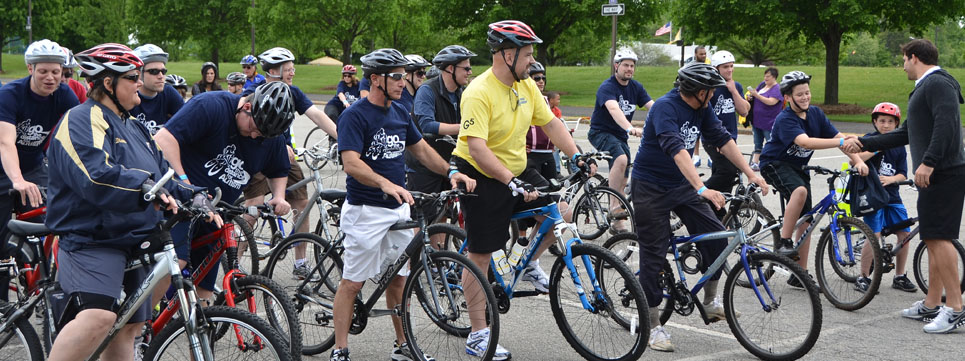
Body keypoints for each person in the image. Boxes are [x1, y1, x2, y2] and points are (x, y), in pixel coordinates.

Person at [45, 42, 214, 361]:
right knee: (100, 317)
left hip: (135, 240)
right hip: (92, 239)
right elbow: (95, 176)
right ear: (108, 83)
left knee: (128, 330)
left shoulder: (134, 126)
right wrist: (143, 187)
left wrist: (200, 197)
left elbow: (164, 177)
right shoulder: (82, 119)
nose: (140, 82)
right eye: (132, 77)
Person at [451, 20, 593, 360]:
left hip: (516, 167)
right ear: (507, 53)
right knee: (480, 255)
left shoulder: (526, 85)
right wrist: (509, 181)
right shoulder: (478, 91)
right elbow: (478, 148)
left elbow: (551, 123)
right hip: (480, 172)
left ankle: (519, 263)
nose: (532, 61)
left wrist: (577, 156)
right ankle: (477, 334)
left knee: (561, 211)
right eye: (528, 54)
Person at [328, 48, 475, 361]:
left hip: (398, 210)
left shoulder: (399, 113)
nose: (402, 82)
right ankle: (340, 349)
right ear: (376, 79)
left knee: (399, 279)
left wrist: (451, 172)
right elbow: (351, 163)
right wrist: (384, 183)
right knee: (352, 282)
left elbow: (421, 150)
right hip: (366, 210)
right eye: (396, 76)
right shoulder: (354, 115)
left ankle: (401, 345)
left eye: (402, 75)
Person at [631, 63, 769, 352]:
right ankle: (652, 324)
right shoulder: (664, 108)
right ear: (700, 91)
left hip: (680, 185)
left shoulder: (702, 108)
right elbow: (677, 150)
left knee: (718, 238)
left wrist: (751, 172)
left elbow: (722, 140)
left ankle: (710, 301)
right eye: (711, 90)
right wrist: (702, 187)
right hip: (651, 187)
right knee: (654, 255)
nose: (714, 95)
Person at [843, 38, 965, 333]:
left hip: (944, 172)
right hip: (936, 174)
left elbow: (947, 124)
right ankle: (932, 303)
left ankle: (956, 308)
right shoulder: (926, 86)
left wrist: (929, 162)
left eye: (904, 60)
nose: (903, 66)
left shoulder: (938, 83)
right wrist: (864, 142)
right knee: (934, 238)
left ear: (914, 57)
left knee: (939, 238)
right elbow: (906, 133)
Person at [152, 81, 296, 307]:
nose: (256, 135)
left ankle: (196, 332)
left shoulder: (268, 133)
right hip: (181, 205)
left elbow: (278, 168)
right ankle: (141, 326)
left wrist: (278, 195)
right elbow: (164, 139)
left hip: (216, 212)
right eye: (255, 128)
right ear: (247, 107)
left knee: (205, 281)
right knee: (175, 262)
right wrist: (186, 186)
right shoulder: (211, 106)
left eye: (263, 134)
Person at [758, 70, 867, 283]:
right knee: (799, 191)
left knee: (806, 222)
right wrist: (842, 142)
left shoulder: (816, 114)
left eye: (807, 93)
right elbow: (806, 143)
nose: (805, 97)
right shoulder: (785, 119)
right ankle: (784, 241)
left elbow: (838, 137)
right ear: (788, 98)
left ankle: (799, 275)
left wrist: (859, 161)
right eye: (800, 94)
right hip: (774, 163)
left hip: (798, 167)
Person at [241, 46, 338, 280]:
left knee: (302, 205)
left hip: (285, 158)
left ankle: (301, 263)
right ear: (274, 71)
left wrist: (343, 138)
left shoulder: (293, 92)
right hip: (258, 154)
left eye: (293, 69)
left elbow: (316, 115)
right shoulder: (254, 91)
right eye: (288, 69)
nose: (292, 73)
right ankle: (235, 261)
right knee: (253, 206)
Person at [0, 39, 80, 283]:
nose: (50, 78)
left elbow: (78, 136)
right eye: (43, 71)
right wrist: (17, 180)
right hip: (4, 168)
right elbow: (5, 143)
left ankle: (36, 282)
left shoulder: (64, 96)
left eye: (56, 72)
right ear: (30, 69)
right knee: (1, 239)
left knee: (48, 223)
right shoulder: (9, 95)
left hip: (34, 166)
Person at [851, 102, 916, 293]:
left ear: (897, 124)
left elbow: (903, 174)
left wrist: (891, 179)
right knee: (873, 234)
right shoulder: (870, 139)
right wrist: (877, 147)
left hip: (893, 195)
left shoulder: (898, 145)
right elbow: (854, 159)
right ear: (874, 122)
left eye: (890, 122)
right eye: (881, 121)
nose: (886, 125)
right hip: (872, 196)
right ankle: (863, 277)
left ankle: (900, 276)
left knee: (904, 233)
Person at [407, 44, 476, 224]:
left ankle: (439, 253)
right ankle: (421, 252)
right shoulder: (427, 90)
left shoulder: (463, 93)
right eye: (466, 68)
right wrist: (463, 128)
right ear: (450, 68)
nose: (470, 72)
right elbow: (427, 125)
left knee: (444, 214)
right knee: (425, 219)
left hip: (448, 160)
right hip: (423, 164)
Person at [588, 48, 653, 219]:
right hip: (600, 132)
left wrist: (668, 117)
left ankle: (618, 225)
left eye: (632, 66)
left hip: (620, 136)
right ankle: (614, 205)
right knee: (621, 159)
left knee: (625, 175)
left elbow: (652, 107)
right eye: (625, 65)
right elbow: (613, 109)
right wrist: (629, 127)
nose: (629, 69)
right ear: (616, 66)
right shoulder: (607, 87)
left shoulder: (636, 87)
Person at [703, 50, 749, 201]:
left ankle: (719, 216)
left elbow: (744, 111)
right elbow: (704, 116)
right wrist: (717, 140)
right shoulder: (710, 87)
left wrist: (734, 91)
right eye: (725, 67)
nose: (730, 70)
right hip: (714, 139)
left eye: (731, 66)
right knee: (728, 171)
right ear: (716, 69)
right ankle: (695, 192)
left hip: (731, 138)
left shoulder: (736, 87)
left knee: (724, 179)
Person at [130, 44, 184, 135]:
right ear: (138, 74)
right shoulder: (129, 96)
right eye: (154, 71)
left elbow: (188, 120)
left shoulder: (168, 92)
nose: (161, 76)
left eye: (163, 71)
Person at [748, 67, 782, 170]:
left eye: (768, 76)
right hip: (757, 120)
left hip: (769, 121)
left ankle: (772, 162)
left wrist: (756, 95)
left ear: (774, 77)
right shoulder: (762, 85)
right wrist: (751, 97)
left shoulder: (777, 89)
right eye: (765, 76)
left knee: (770, 142)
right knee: (757, 142)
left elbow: (771, 102)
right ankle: (755, 162)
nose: (765, 78)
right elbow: (756, 94)